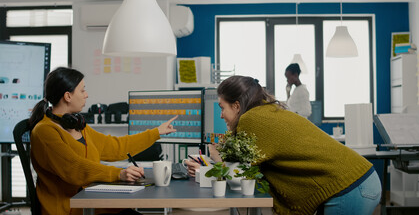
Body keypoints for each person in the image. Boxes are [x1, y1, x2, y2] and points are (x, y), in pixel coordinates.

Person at [187, 75, 382, 215]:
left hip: (349, 187)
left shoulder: (252, 119)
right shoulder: (266, 112)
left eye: (222, 108)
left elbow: (241, 177)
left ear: (237, 106)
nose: (221, 115)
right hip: (358, 180)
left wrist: (215, 158)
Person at [29, 67, 177, 215]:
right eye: (82, 91)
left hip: (92, 203)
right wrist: (118, 174)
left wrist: (156, 132)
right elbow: (74, 168)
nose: (86, 95)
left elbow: (115, 147)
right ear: (68, 96)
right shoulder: (44, 131)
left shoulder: (78, 127)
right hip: (69, 209)